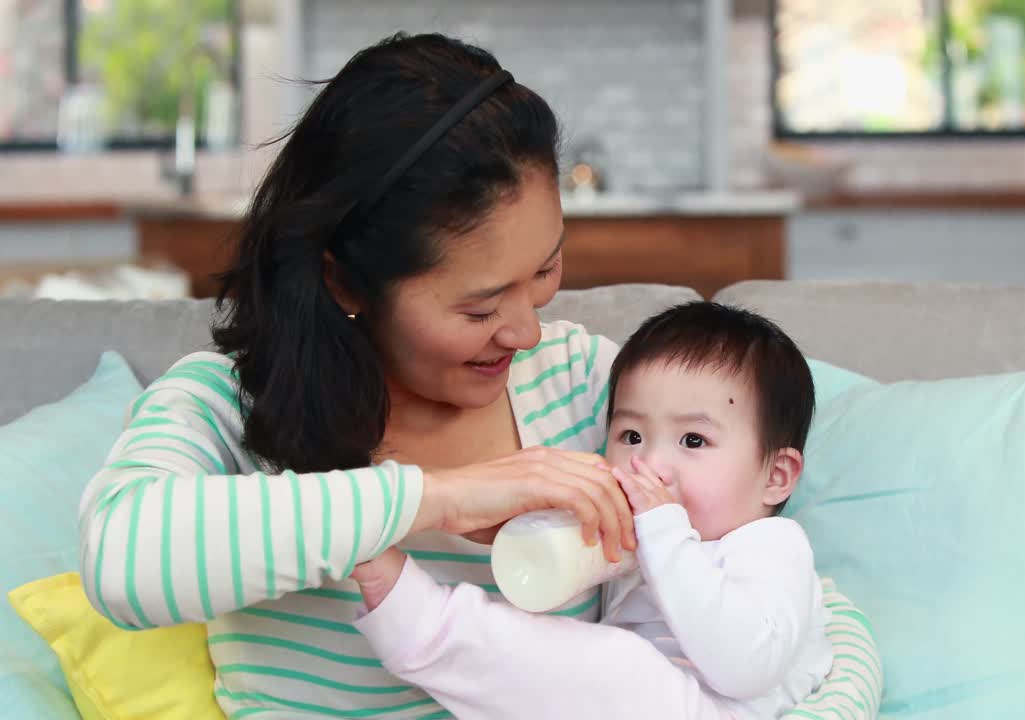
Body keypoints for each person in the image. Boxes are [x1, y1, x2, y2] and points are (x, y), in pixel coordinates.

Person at [77, 31, 876, 719]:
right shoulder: (230, 406)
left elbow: (809, 618)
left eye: (547, 269)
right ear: (346, 282)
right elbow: (123, 563)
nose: (528, 330)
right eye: (480, 305)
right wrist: (443, 498)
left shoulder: (593, 393)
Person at [349, 302, 882, 719]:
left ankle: (424, 624)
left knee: (614, 662)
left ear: (776, 476)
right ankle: (423, 624)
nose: (651, 463)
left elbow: (745, 668)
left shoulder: (771, 547)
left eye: (693, 440)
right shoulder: (641, 544)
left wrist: (666, 534)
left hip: (723, 710)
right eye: (630, 435)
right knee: (560, 654)